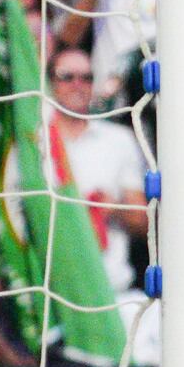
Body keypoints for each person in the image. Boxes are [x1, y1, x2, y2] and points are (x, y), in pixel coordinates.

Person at [45, 47, 149, 294]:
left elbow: (143, 220)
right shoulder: (33, 141)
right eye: (67, 77)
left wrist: (114, 209)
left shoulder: (118, 140)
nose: (78, 85)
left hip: (111, 287)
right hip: (51, 290)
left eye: (87, 78)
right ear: (50, 84)